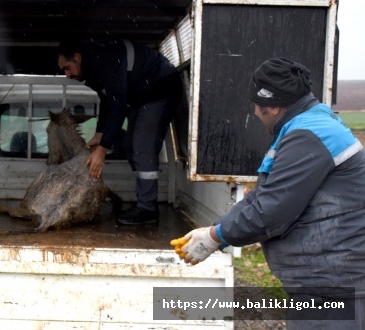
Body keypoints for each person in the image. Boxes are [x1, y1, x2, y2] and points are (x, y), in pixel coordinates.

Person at [173, 58, 365, 328]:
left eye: (256, 107)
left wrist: (215, 237)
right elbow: (265, 195)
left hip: (333, 287)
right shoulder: (307, 126)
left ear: (273, 107)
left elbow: (271, 213)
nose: (255, 112)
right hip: (326, 282)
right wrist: (216, 230)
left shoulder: (308, 136)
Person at [58, 39, 183, 225]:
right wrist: (100, 133)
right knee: (132, 148)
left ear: (77, 58)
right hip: (142, 96)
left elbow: (117, 106)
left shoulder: (104, 61)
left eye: (67, 68)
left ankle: (148, 208)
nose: (67, 75)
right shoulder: (93, 69)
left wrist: (102, 149)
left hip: (160, 89)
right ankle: (144, 203)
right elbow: (107, 101)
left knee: (142, 148)